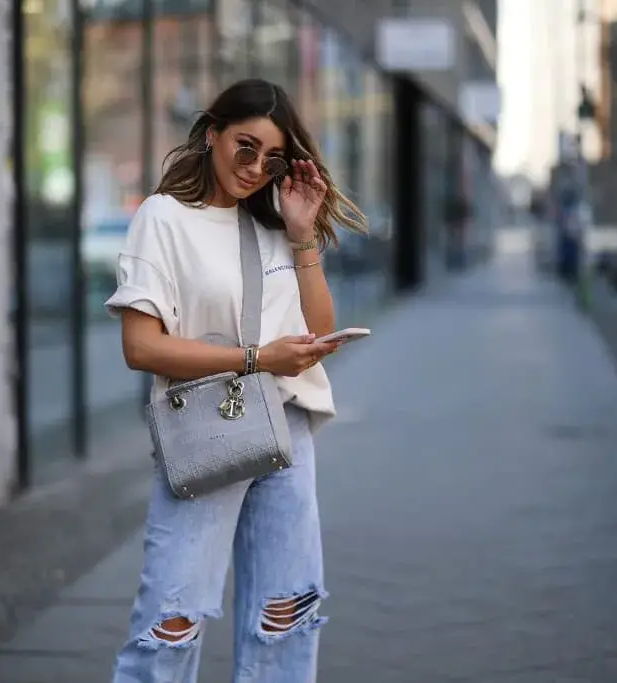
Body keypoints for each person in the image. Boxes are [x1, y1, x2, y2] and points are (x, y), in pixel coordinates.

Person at [104, 78, 367, 683]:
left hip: (287, 432)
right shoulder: (163, 219)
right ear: (212, 133)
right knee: (171, 622)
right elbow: (141, 347)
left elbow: (317, 326)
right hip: (205, 430)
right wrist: (257, 359)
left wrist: (302, 236)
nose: (253, 168)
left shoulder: (275, 224)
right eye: (243, 147)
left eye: (271, 158)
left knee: (286, 616)